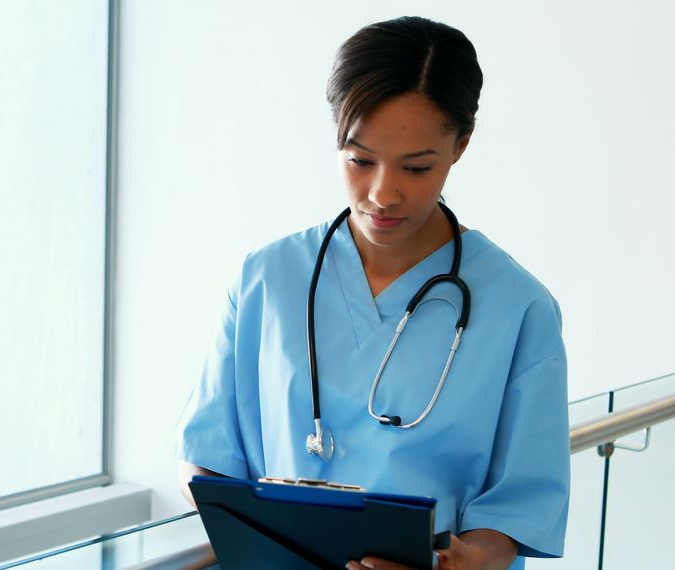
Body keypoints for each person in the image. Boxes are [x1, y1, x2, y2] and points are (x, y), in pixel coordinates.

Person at [169, 16, 570, 570]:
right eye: (359, 161)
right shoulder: (267, 277)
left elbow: (518, 509)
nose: (383, 194)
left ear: (461, 146)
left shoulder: (519, 308)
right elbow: (206, 462)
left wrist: (461, 562)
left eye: (417, 167)